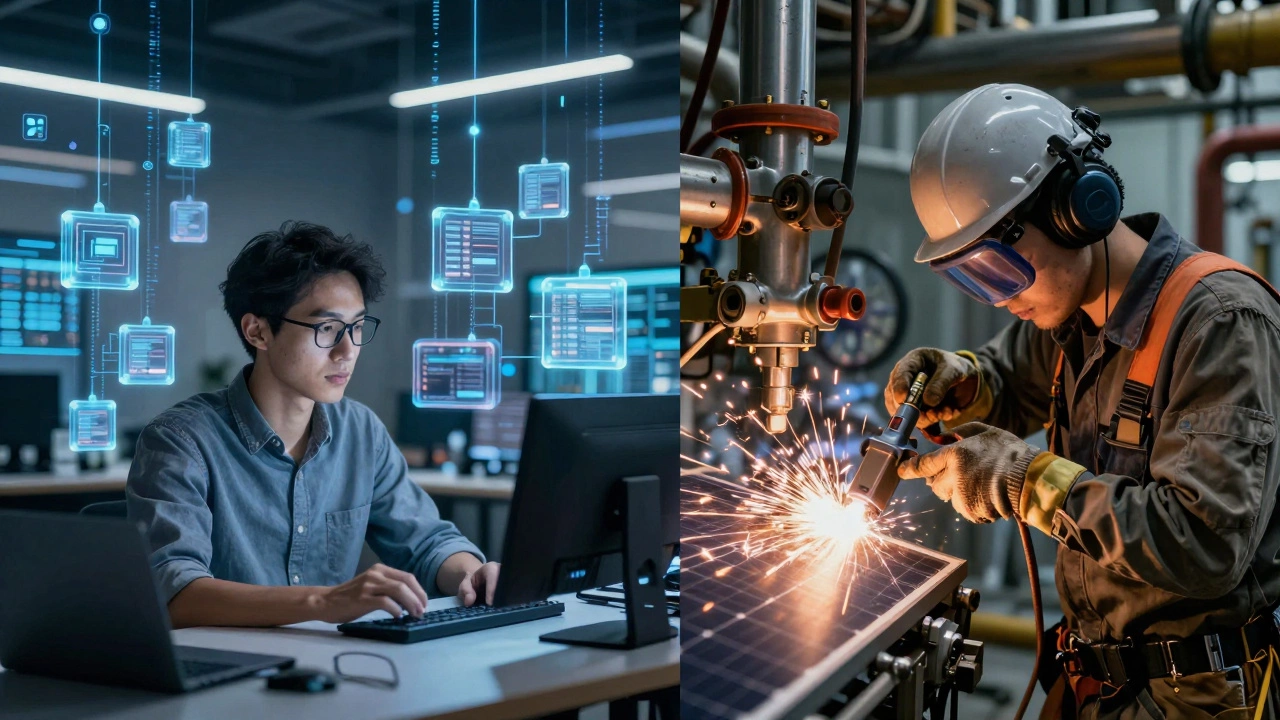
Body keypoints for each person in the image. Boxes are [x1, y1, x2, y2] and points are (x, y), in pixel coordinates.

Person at [885, 83, 1280, 718]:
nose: (999, 298)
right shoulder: (1070, 314)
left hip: (1195, 697)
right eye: (971, 280)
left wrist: (1026, 484)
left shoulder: (1219, 322)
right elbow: (1008, 379)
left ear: (1078, 209)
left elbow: (1206, 545)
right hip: (1094, 685)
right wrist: (961, 379)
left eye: (999, 268)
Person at [127, 222, 498, 629]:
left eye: (357, 328)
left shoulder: (360, 431)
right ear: (259, 331)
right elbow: (175, 593)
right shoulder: (181, 441)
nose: (348, 351)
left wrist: (469, 573)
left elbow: (428, 542)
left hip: (331, 669)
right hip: (226, 674)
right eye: (327, 329)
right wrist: (323, 602)